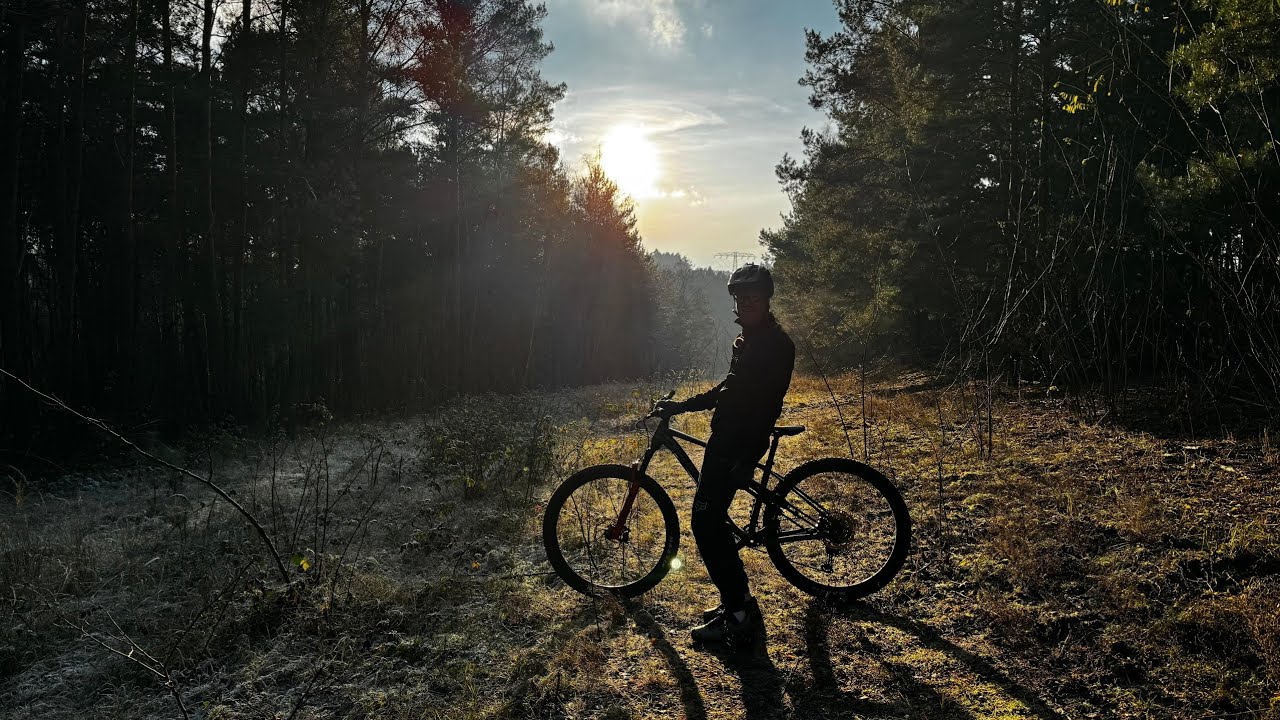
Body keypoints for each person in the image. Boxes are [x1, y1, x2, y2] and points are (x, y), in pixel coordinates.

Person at [656, 263, 795, 645]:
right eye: (741, 297)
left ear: (767, 300)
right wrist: (682, 407)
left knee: (706, 523)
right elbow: (728, 390)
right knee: (710, 521)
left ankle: (738, 611)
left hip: (737, 444)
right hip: (726, 439)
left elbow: (766, 406)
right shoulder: (751, 339)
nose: (746, 302)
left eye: (754, 297)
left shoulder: (774, 345)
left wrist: (749, 457)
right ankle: (734, 603)